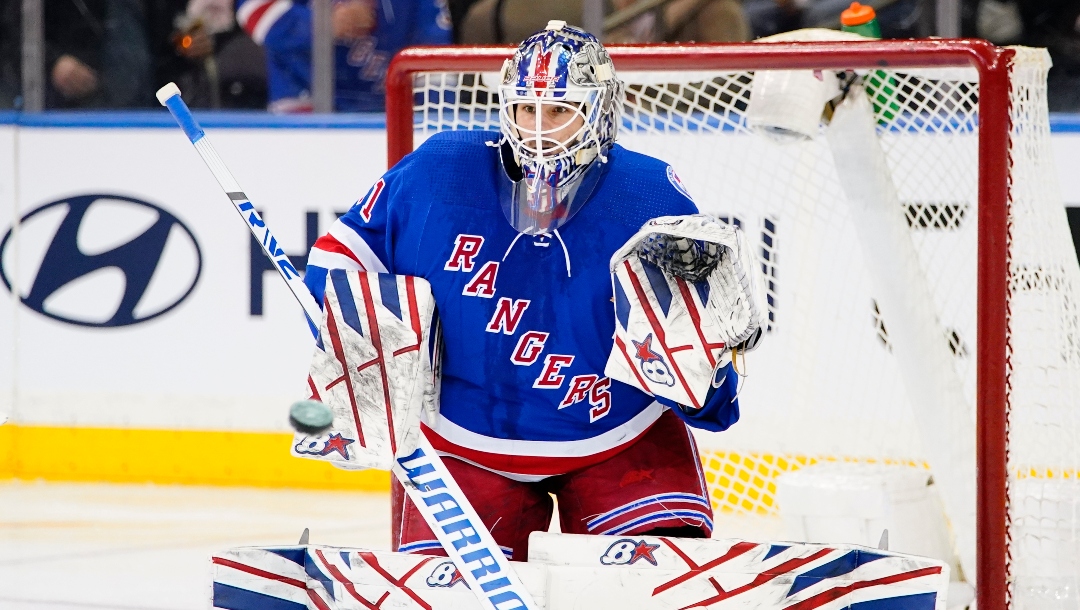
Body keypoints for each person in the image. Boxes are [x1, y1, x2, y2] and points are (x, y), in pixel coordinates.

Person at [303, 22, 743, 560]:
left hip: (620, 435)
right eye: (525, 110)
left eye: (559, 111)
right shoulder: (439, 170)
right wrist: (361, 334)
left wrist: (707, 375)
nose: (537, 130)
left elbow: (698, 358)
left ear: (600, 111)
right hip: (465, 440)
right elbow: (338, 259)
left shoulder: (649, 196)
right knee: (449, 594)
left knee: (649, 585)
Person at [234, 0, 451, 112]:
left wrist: (432, 116)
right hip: (301, 99)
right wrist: (322, 24)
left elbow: (435, 56)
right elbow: (253, 9)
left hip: (387, 109)